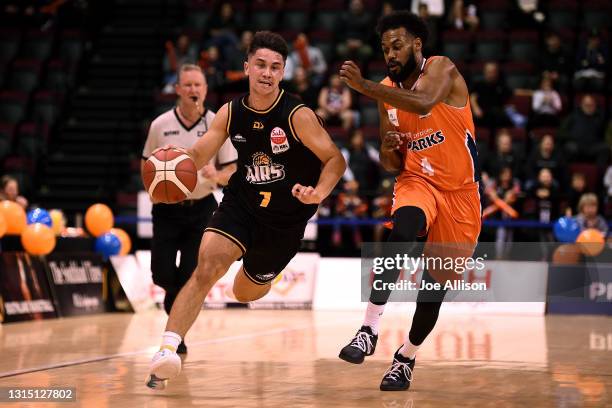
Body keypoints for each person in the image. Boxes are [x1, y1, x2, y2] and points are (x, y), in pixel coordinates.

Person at [146, 31, 346, 389]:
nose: (266, 73)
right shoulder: (230, 111)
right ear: (247, 67)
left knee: (244, 293)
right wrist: (172, 169)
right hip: (242, 204)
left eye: (275, 67)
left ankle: (265, 274)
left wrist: (319, 193)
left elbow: (335, 159)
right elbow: (199, 153)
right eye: (260, 65)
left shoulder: (297, 114)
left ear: (283, 72)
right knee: (206, 266)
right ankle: (166, 349)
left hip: (285, 221)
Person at [338, 11, 482, 391]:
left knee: (432, 291)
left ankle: (405, 357)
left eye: (397, 45)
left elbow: (421, 103)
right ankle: (369, 327)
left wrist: (365, 87)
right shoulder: (387, 93)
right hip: (417, 179)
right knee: (404, 227)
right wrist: (389, 149)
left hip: (462, 195)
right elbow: (392, 164)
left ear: (417, 44)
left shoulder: (442, 69)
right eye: (385, 47)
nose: (390, 52)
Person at [141, 64, 238, 354]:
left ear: (206, 90)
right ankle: (175, 311)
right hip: (167, 209)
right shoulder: (160, 125)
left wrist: (217, 176)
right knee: (162, 276)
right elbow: (146, 164)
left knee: (189, 277)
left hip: (202, 209)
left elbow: (233, 168)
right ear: (178, 89)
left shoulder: (216, 123)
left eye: (199, 85)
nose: (194, 90)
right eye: (188, 85)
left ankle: (175, 335)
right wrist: (154, 187)